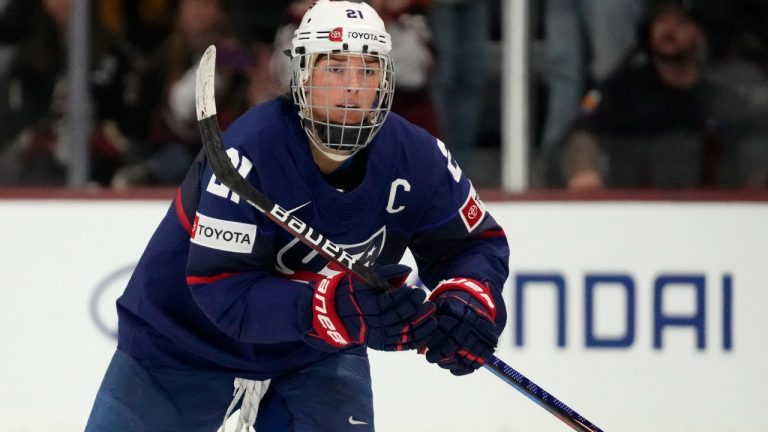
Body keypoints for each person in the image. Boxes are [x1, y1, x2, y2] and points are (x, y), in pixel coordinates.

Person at [85, 1, 509, 431]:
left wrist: (468, 300)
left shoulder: (417, 157)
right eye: (336, 69)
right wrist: (334, 308)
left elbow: (473, 244)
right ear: (302, 74)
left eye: (368, 70)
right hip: (179, 347)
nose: (353, 88)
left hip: (312, 357)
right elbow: (223, 291)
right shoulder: (248, 151)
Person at [562, 0, 721, 189]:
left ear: (700, 34)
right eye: (661, 21)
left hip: (707, 207)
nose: (669, 31)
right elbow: (584, 131)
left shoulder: (717, 92)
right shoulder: (622, 87)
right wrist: (584, 170)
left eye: (680, 23)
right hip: (633, 206)